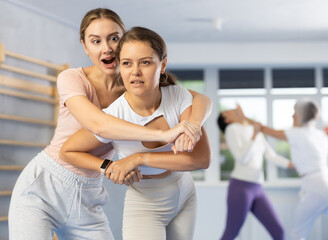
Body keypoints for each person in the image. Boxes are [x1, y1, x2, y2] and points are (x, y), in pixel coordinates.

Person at [8, 8, 212, 240]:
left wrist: (193, 125)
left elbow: (198, 99)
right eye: (96, 41)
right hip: (45, 185)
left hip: (89, 192)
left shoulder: (135, 86)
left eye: (114, 38)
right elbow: (98, 125)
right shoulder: (73, 79)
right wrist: (165, 136)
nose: (107, 48)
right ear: (85, 47)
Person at [60, 26, 212, 240]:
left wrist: (138, 158)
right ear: (120, 67)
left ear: (162, 65)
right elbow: (68, 151)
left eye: (145, 62)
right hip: (145, 204)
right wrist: (108, 166)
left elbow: (201, 159)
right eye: (127, 63)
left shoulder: (178, 96)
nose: (135, 72)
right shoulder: (114, 115)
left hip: (185, 194)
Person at [248, 99, 328, 240]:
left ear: (301, 116)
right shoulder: (320, 134)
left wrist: (249, 122)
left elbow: (269, 131)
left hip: (315, 186)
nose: (292, 116)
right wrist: (319, 168)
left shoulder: (296, 133)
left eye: (295, 113)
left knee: (297, 234)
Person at [217, 105, 293, 240]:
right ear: (227, 120)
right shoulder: (232, 129)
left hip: (257, 188)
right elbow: (242, 158)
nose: (233, 110)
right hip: (240, 187)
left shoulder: (254, 130)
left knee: (278, 231)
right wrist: (254, 134)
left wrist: (292, 165)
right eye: (228, 112)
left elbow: (271, 156)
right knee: (231, 233)